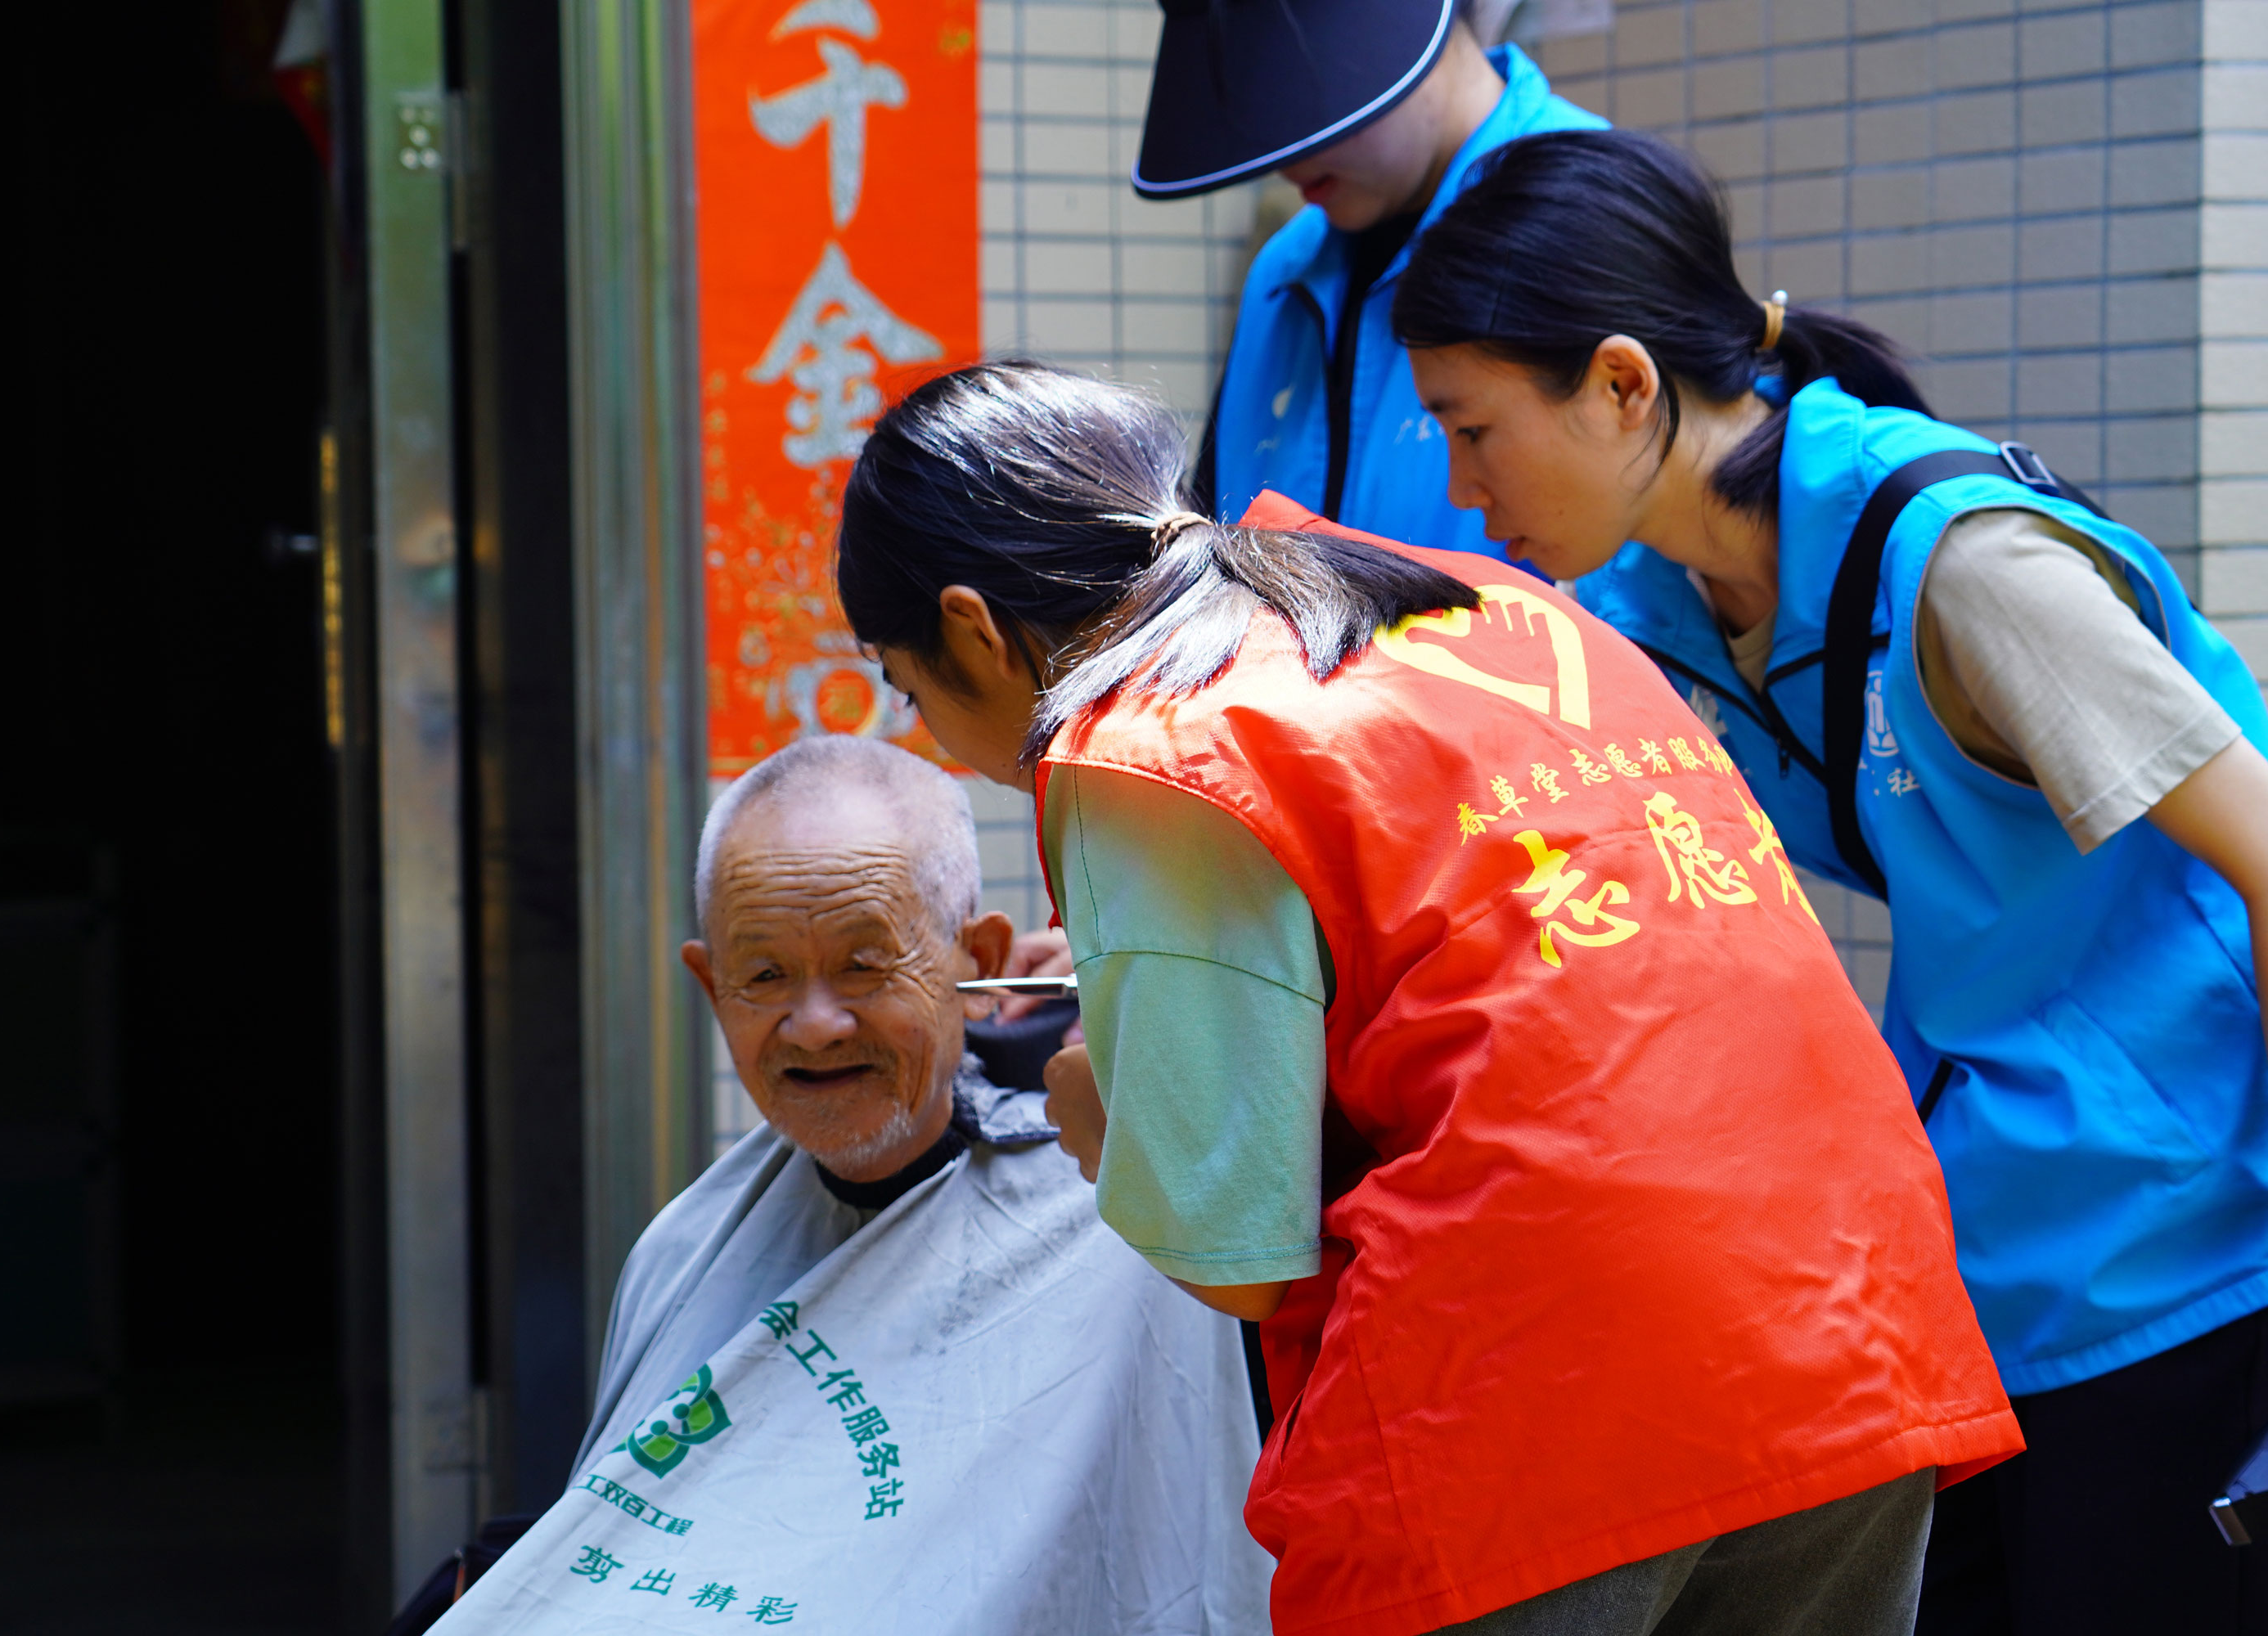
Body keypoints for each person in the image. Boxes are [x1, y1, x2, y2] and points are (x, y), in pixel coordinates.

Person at [835, 359, 2022, 1635]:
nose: (928, 728)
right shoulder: (1490, 606)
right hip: (1851, 1325)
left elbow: (1231, 1248)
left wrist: (1105, 1101)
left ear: (970, 626)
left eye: (909, 692)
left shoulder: (1150, 746)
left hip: (1539, 1402)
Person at [1389, 127, 2268, 1634]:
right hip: (1978, 1260)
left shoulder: (1969, 570)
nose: (1463, 491)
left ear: (1619, 383)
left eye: (1474, 431)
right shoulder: (1655, 604)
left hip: (2191, 1260)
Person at [433, 736, 1271, 1634]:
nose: (818, 1024)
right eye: (764, 975)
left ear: (977, 961)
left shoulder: (1135, 1217)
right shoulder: (682, 1254)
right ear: (712, 987)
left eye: (866, 964)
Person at [1132, 0, 1599, 544]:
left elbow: (1649, 617)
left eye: (1301, 82)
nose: (1278, 152)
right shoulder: (1282, 276)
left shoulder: (1596, 219)